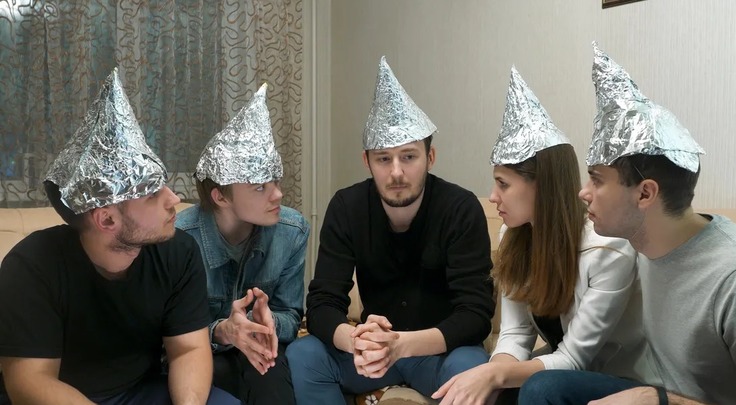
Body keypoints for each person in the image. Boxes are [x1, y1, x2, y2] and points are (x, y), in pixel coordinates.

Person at [519, 43, 736, 405]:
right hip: (662, 395)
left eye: (597, 179)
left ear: (645, 194)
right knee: (543, 387)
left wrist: (658, 401)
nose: (583, 193)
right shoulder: (642, 247)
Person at [0, 69, 238, 405]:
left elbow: (188, 349)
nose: (174, 199)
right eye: (153, 194)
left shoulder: (178, 251)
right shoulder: (32, 265)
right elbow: (30, 381)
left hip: (140, 392)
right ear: (107, 219)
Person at [432, 67, 658, 405]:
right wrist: (490, 379)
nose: (493, 197)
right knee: (484, 389)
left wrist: (493, 375)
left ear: (543, 186)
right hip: (557, 369)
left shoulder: (607, 250)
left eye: (503, 184)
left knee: (533, 387)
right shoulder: (513, 234)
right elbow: (515, 333)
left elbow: (574, 359)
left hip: (618, 381)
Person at [287, 56, 496, 404]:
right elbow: (323, 302)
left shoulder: (459, 208)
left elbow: (475, 314)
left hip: (438, 352)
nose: (396, 172)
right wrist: (356, 340)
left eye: (409, 157)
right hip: (371, 353)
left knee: (471, 367)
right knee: (304, 354)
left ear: (430, 158)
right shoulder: (347, 207)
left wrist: (401, 345)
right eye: (384, 159)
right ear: (367, 162)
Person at [176, 83, 309, 404]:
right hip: (197, 355)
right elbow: (168, 335)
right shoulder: (180, 239)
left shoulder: (291, 230)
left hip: (262, 351)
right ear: (220, 196)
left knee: (270, 372)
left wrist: (265, 322)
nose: (278, 194)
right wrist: (223, 330)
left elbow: (291, 316)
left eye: (276, 181)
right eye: (260, 187)